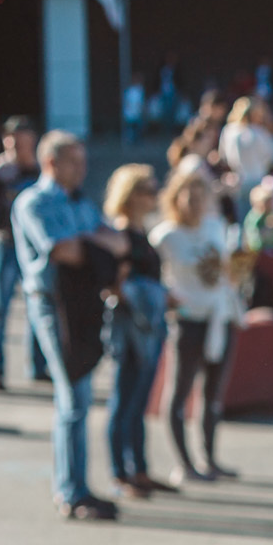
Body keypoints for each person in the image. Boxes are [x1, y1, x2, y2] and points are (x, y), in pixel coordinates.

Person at [10, 131, 131, 520]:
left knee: (80, 395)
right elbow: (63, 249)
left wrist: (93, 245)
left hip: (85, 304)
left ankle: (78, 485)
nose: (81, 170)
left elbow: (117, 242)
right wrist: (96, 245)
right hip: (53, 305)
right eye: (73, 162)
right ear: (51, 163)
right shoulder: (34, 202)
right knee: (73, 399)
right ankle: (71, 491)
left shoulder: (80, 202)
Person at [151, 165, 241, 484]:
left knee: (213, 394)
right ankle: (184, 464)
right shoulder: (165, 236)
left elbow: (226, 268)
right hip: (188, 321)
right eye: (187, 194)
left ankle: (209, 459)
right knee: (180, 393)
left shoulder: (215, 226)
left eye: (201, 193)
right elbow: (148, 274)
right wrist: (168, 299)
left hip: (220, 317)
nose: (194, 200)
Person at [100, 164, 169, 500]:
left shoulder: (141, 232)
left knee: (139, 402)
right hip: (131, 329)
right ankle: (120, 473)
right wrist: (142, 299)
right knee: (124, 400)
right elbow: (114, 284)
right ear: (132, 196)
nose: (154, 197)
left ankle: (139, 469)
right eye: (148, 191)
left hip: (149, 327)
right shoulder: (121, 235)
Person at [0, 117, 48, 388]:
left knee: (38, 306)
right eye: (13, 140)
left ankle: (38, 366)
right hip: (5, 245)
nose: (18, 146)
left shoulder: (42, 170)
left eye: (24, 141)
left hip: (34, 248)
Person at [219, 96, 273, 200]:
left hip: (239, 182)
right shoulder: (260, 133)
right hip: (258, 180)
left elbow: (224, 156)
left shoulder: (228, 131)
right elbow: (270, 158)